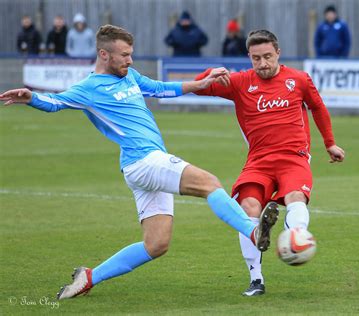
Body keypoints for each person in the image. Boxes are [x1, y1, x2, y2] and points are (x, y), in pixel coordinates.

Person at [0, 24, 278, 300]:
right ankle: (253, 232)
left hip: (141, 167)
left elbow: (160, 88)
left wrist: (202, 84)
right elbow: (56, 102)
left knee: (156, 244)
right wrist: (32, 98)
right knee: (209, 183)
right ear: (104, 54)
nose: (130, 60)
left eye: (131, 54)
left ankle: (89, 277)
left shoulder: (130, 76)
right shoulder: (89, 88)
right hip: (144, 160)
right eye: (124, 55)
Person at [194, 30, 345, 296]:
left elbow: (318, 107)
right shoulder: (240, 82)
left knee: (296, 196)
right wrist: (212, 71)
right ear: (249, 58)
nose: (262, 64)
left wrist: (329, 143)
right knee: (248, 207)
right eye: (256, 59)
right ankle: (256, 280)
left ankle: (296, 238)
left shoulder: (298, 80)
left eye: (267, 57)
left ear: (278, 53)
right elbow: (199, 86)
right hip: (259, 161)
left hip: (293, 158)